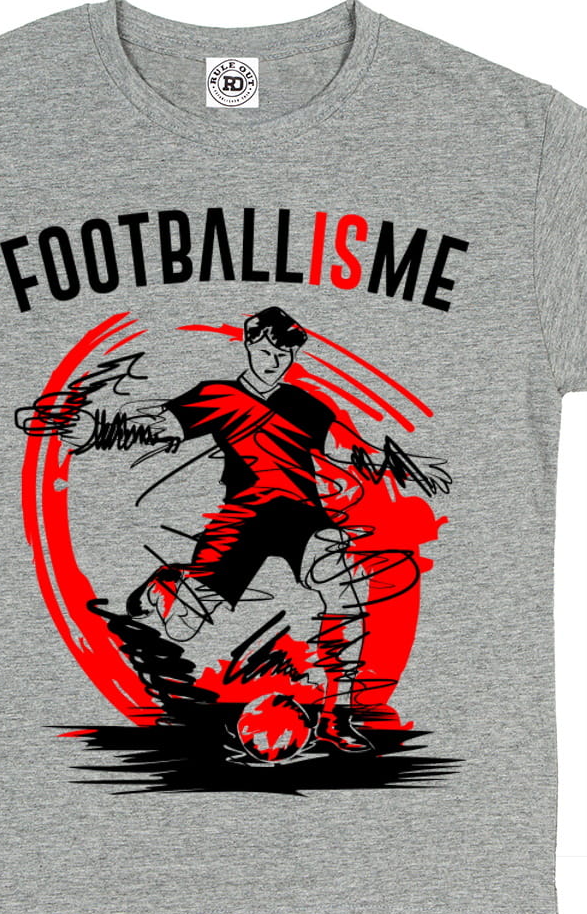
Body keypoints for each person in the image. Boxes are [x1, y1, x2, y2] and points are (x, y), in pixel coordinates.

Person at [64, 307, 374, 753]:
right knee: (182, 626)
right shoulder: (219, 395)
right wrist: (99, 430)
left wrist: (390, 461)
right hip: (245, 516)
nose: (274, 362)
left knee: (347, 587)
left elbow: (349, 449)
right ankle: (168, 584)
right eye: (266, 352)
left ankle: (336, 718)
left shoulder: (305, 405)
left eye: (284, 355)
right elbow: (158, 425)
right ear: (249, 345)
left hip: (302, 517)